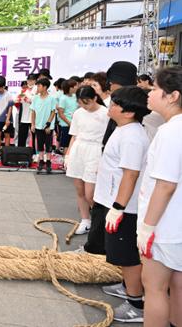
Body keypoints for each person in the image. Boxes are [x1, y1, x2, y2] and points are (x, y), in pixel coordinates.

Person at [95, 86, 150, 323]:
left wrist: (118, 208)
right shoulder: (124, 129)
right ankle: (127, 285)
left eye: (116, 103)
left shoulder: (132, 137)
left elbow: (130, 174)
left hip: (125, 208)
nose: (111, 105)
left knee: (127, 256)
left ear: (128, 112)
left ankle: (135, 304)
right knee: (120, 253)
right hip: (116, 202)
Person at [137, 66, 182, 327]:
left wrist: (147, 227)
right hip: (175, 222)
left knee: (153, 288)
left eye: (154, 89)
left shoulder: (170, 132)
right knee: (177, 286)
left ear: (172, 96)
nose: (149, 94)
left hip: (165, 226)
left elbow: (165, 185)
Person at [65, 86, 109, 237]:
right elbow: (74, 135)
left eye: (87, 103)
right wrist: (68, 154)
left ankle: (100, 221)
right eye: (81, 103)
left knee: (91, 193)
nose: (84, 106)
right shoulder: (78, 113)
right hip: (79, 149)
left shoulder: (105, 113)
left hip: (96, 150)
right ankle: (85, 220)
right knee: (79, 189)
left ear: (95, 98)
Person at [30, 78, 57, 173]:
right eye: (37, 86)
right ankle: (41, 161)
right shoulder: (36, 98)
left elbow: (53, 112)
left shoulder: (51, 99)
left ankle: (48, 162)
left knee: (48, 144)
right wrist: (33, 124)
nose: (37, 88)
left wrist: (48, 124)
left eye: (39, 86)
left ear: (45, 87)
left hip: (48, 126)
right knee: (40, 144)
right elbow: (33, 111)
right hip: (38, 125)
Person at [56, 79, 79, 155]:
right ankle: (65, 162)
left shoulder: (75, 96)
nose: (77, 87)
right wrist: (69, 123)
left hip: (75, 123)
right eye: (75, 86)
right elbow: (61, 113)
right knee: (66, 144)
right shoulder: (63, 98)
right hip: (66, 125)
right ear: (70, 88)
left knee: (74, 143)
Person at [0, 76, 14, 149]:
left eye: (1, 87)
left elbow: (10, 107)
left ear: (4, 86)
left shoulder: (8, 95)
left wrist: (8, 119)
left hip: (7, 117)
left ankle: (6, 150)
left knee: (7, 134)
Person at [16, 75, 37, 147]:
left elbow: (36, 100)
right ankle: (20, 151)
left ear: (35, 81)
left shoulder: (37, 89)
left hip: (34, 116)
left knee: (35, 136)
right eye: (29, 80)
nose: (30, 82)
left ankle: (35, 152)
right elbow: (18, 99)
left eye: (32, 80)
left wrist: (28, 98)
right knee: (22, 135)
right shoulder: (24, 90)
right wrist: (19, 99)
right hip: (24, 116)